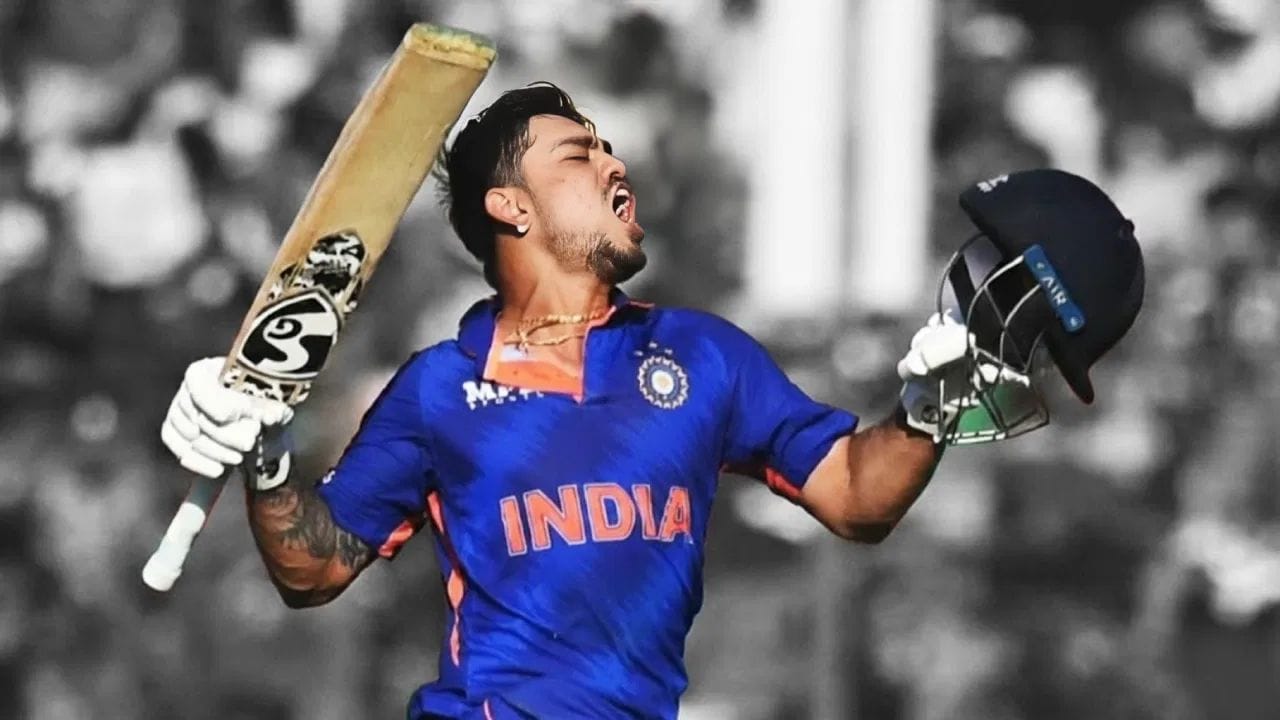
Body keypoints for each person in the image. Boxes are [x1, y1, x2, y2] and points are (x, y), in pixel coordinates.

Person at [159, 83, 1141, 719]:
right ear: (510, 206)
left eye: (608, 148)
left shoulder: (703, 357)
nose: (614, 165)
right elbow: (314, 570)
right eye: (577, 156)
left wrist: (928, 411)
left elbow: (855, 497)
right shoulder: (437, 390)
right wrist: (268, 461)